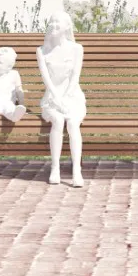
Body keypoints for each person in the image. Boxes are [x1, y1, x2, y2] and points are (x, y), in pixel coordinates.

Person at [36, 12, 86, 187]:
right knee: (57, 120)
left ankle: (76, 171)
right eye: (51, 21)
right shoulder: (41, 51)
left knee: (72, 123)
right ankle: (55, 167)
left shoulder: (77, 48)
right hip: (51, 98)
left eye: (58, 22)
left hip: (73, 96)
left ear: (67, 27)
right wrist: (57, 100)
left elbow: (75, 78)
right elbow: (47, 80)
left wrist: (66, 99)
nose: (54, 25)